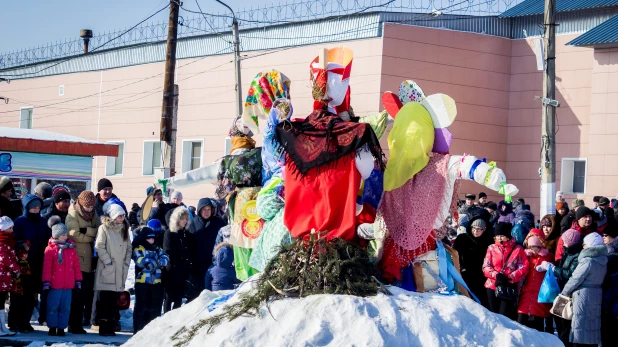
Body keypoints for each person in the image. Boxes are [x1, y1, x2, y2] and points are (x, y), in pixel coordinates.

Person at [560, 233, 607, 347]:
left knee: (580, 327)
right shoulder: (603, 260)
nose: (583, 246)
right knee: (592, 325)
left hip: (583, 296)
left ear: (590, 245)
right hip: (596, 294)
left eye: (584, 244)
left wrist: (564, 293)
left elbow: (575, 278)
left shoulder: (588, 261)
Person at [538, 229, 583, 346]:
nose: (563, 243)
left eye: (565, 241)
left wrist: (553, 269)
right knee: (557, 317)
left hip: (569, 293)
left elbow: (570, 274)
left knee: (565, 324)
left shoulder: (576, 256)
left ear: (571, 242)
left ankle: (564, 344)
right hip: (561, 291)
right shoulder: (567, 252)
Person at [94, 204, 131, 337]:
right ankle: (104, 327)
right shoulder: (104, 228)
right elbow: (99, 246)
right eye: (119, 216)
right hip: (108, 269)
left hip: (120, 269)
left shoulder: (124, 229)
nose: (122, 218)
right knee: (105, 300)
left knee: (114, 301)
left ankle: (111, 326)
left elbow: (129, 248)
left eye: (123, 216)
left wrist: (126, 262)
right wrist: (108, 262)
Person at [13, 194, 51, 324]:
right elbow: (13, 239)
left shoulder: (43, 222)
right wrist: (21, 244)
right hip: (23, 263)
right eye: (33, 207)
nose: (36, 209)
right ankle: (15, 322)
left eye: (38, 207)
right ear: (27, 207)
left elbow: (48, 240)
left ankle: (25, 322)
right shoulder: (20, 221)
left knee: (32, 294)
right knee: (19, 294)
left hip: (38, 262)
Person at [65, 191, 100, 330]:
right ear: (81, 203)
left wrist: (87, 230)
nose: (90, 209)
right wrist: (91, 237)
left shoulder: (93, 214)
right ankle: (74, 324)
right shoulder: (72, 213)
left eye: (92, 207)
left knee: (86, 295)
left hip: (90, 259)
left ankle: (79, 322)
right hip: (77, 260)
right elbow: (74, 235)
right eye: (87, 207)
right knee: (77, 296)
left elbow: (99, 229)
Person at [43, 216, 82, 337]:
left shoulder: (71, 249)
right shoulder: (50, 249)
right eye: (63, 235)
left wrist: (78, 279)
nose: (65, 237)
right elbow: (47, 267)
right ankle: (52, 327)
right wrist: (46, 281)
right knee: (53, 307)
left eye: (66, 235)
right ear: (56, 236)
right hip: (55, 284)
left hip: (68, 285)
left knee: (65, 307)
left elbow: (76, 265)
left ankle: (61, 328)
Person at [482, 222, 528, 319]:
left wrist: (509, 277)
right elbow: (486, 266)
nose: (499, 238)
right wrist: (496, 275)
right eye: (497, 236)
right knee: (493, 315)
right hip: (492, 285)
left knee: (504, 316)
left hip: (508, 285)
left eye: (502, 236)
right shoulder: (491, 248)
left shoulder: (518, 249)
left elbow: (523, 267)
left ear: (508, 236)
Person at [132, 227, 169, 334]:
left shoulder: (157, 248)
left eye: (153, 238)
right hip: (142, 282)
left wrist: (161, 261)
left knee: (155, 307)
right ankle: (139, 329)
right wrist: (154, 262)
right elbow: (140, 261)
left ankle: (151, 330)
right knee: (141, 306)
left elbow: (165, 256)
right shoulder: (139, 248)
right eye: (149, 239)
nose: (151, 241)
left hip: (156, 282)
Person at [517, 229, 554, 332]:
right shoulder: (525, 257)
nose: (534, 249)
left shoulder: (548, 257)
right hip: (526, 291)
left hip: (541, 293)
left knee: (538, 321)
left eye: (536, 247)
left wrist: (549, 267)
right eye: (531, 247)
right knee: (521, 319)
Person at [453, 214, 493, 309]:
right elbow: (455, 254)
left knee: (481, 301)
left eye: (479, 229)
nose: (476, 231)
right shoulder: (462, 239)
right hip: (465, 274)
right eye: (474, 228)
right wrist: (462, 267)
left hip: (481, 275)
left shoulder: (487, 241)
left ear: (484, 229)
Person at [189, 198, 227, 293]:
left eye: (208, 209)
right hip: (197, 264)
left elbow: (225, 240)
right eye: (204, 209)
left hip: (214, 263)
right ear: (199, 210)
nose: (206, 212)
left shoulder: (219, 222)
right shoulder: (192, 223)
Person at [163, 207, 191, 312]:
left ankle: (175, 319)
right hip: (171, 270)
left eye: (186, 218)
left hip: (182, 270)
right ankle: (166, 317)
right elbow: (168, 251)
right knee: (169, 297)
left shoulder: (185, 233)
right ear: (176, 219)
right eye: (182, 218)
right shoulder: (169, 233)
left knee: (179, 297)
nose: (185, 221)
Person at [0, 216, 19, 336]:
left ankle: (3, 327)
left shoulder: (8, 242)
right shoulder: (2, 243)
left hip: (5, 279)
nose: (12, 230)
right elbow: (5, 259)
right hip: (1, 277)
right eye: (10, 228)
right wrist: (16, 268)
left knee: (1, 303)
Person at [8, 240, 32, 333]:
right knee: (14, 307)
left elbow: (29, 277)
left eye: (26, 253)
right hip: (16, 290)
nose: (25, 255)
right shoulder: (15, 264)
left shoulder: (27, 264)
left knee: (24, 307)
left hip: (26, 290)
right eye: (23, 254)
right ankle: (13, 325)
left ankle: (23, 324)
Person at [601, 225, 618, 347]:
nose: (603, 238)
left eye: (606, 235)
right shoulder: (608, 251)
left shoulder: (611, 253)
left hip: (611, 297)